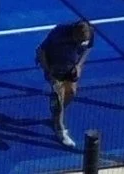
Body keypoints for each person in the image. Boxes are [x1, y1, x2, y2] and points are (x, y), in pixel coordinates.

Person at [36, 18, 95, 148]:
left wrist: (79, 65)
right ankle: (60, 128)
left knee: (71, 92)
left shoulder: (89, 34)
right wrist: (48, 71)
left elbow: (88, 48)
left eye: (82, 41)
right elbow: (41, 51)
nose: (80, 42)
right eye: (78, 40)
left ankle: (57, 112)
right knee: (59, 95)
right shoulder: (58, 33)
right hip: (54, 67)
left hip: (71, 67)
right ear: (74, 32)